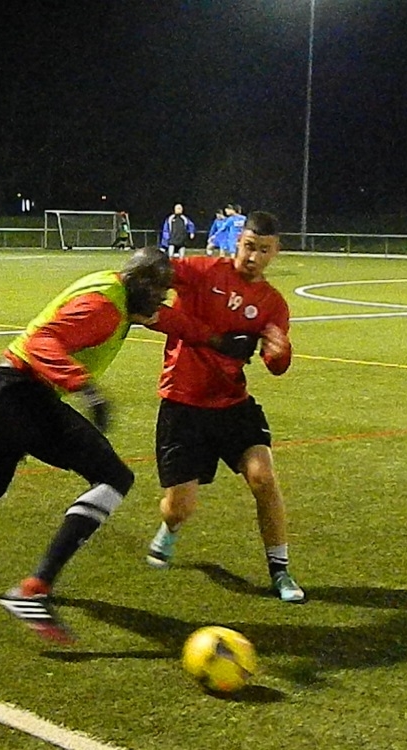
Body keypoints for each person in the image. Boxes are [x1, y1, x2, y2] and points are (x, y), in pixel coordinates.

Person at [0, 247, 243, 643]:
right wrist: (87, 389)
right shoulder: (104, 308)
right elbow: (43, 341)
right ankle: (33, 590)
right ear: (143, 286)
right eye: (160, 291)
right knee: (113, 477)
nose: (163, 300)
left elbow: (169, 320)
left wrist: (217, 340)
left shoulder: (121, 292)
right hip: (19, 393)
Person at [145, 210, 306, 604]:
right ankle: (170, 528)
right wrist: (152, 269)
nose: (253, 257)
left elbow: (275, 365)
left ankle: (280, 570)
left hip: (233, 404)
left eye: (263, 250)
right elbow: (152, 275)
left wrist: (280, 352)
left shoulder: (273, 303)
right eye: (249, 247)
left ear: (276, 252)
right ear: (238, 241)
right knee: (179, 508)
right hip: (182, 404)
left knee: (263, 478)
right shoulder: (202, 272)